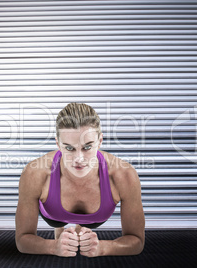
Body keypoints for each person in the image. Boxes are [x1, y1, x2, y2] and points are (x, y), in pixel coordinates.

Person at [15, 103, 145, 257]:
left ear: (100, 141)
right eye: (69, 148)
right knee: (58, 223)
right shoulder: (35, 173)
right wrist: (53, 246)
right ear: (58, 144)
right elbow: (22, 240)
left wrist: (102, 247)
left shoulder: (124, 175)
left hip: (95, 218)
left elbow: (137, 241)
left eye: (87, 147)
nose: (79, 159)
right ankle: (62, 230)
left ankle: (78, 228)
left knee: (82, 232)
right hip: (53, 215)